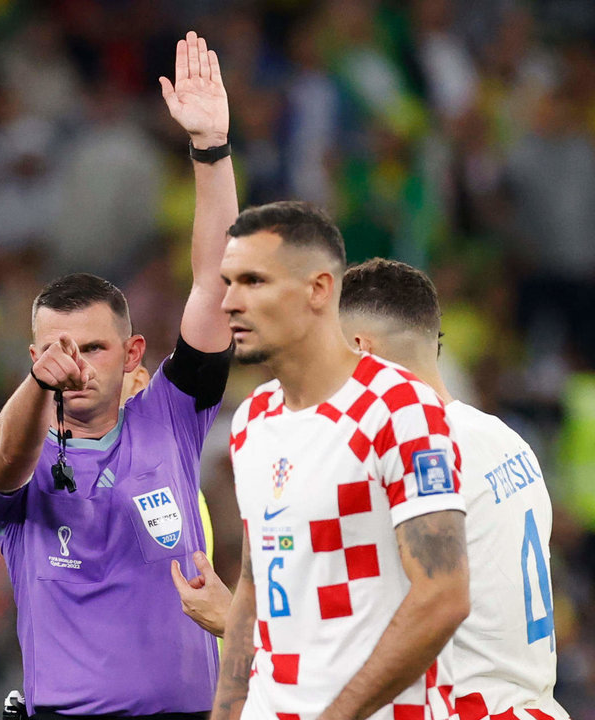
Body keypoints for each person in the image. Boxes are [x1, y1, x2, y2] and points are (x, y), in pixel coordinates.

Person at [0, 30, 237, 718]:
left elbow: (215, 285)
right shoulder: (1, 443)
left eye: (93, 349)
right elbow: (9, 460)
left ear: (134, 353)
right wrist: (38, 390)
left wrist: (210, 150)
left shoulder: (170, 416)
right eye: (55, 349)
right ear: (32, 359)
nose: (72, 365)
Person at [174, 259, 573, 719]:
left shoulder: (407, 454)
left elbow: (372, 633)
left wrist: (233, 620)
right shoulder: (504, 439)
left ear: (362, 350)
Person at [209, 203, 470, 719]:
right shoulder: (252, 422)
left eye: (254, 281)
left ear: (319, 289)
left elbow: (443, 594)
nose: (230, 303)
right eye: (228, 282)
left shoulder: (398, 406)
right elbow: (254, 584)